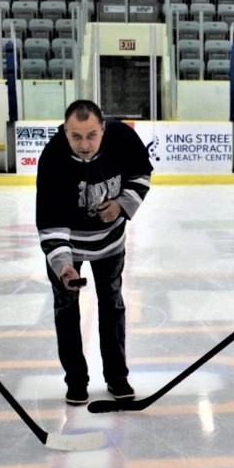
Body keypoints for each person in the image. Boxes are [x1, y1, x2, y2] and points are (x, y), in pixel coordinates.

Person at [35, 100, 152, 406]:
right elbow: (49, 220)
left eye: (91, 135)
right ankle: (76, 380)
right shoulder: (52, 157)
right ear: (65, 131)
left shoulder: (123, 138)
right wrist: (63, 266)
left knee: (112, 306)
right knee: (66, 308)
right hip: (68, 244)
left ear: (103, 128)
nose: (84, 144)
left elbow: (141, 175)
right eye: (76, 136)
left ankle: (117, 377)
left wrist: (122, 205)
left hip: (110, 243)